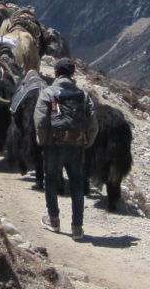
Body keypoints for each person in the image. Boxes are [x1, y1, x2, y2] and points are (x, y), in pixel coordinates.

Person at [34, 57, 98, 240]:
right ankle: (77, 227)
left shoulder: (48, 93)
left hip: (53, 145)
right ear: (72, 74)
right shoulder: (83, 95)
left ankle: (53, 220)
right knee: (77, 184)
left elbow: (40, 121)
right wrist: (86, 142)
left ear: (56, 73)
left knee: (51, 181)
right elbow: (93, 124)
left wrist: (43, 141)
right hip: (76, 146)